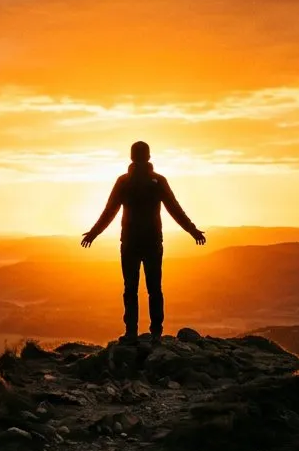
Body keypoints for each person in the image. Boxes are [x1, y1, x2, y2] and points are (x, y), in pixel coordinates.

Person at [80, 141, 205, 343]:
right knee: (153, 288)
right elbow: (174, 209)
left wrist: (94, 233)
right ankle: (154, 332)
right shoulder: (154, 181)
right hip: (151, 242)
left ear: (132, 156)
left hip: (132, 242)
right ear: (148, 156)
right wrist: (192, 230)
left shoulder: (125, 182)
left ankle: (133, 333)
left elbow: (109, 211)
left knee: (132, 288)